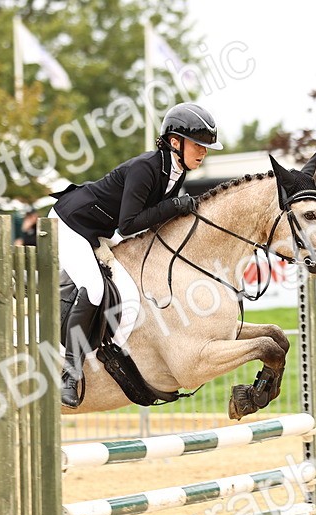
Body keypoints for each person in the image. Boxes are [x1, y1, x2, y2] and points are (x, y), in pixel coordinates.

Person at [49, 101, 223, 407]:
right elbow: (129, 224)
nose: (203, 152)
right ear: (174, 142)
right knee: (94, 289)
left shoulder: (177, 172)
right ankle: (70, 373)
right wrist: (176, 206)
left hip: (99, 229)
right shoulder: (146, 168)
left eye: (206, 147)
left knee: (125, 287)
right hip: (72, 224)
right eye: (198, 145)